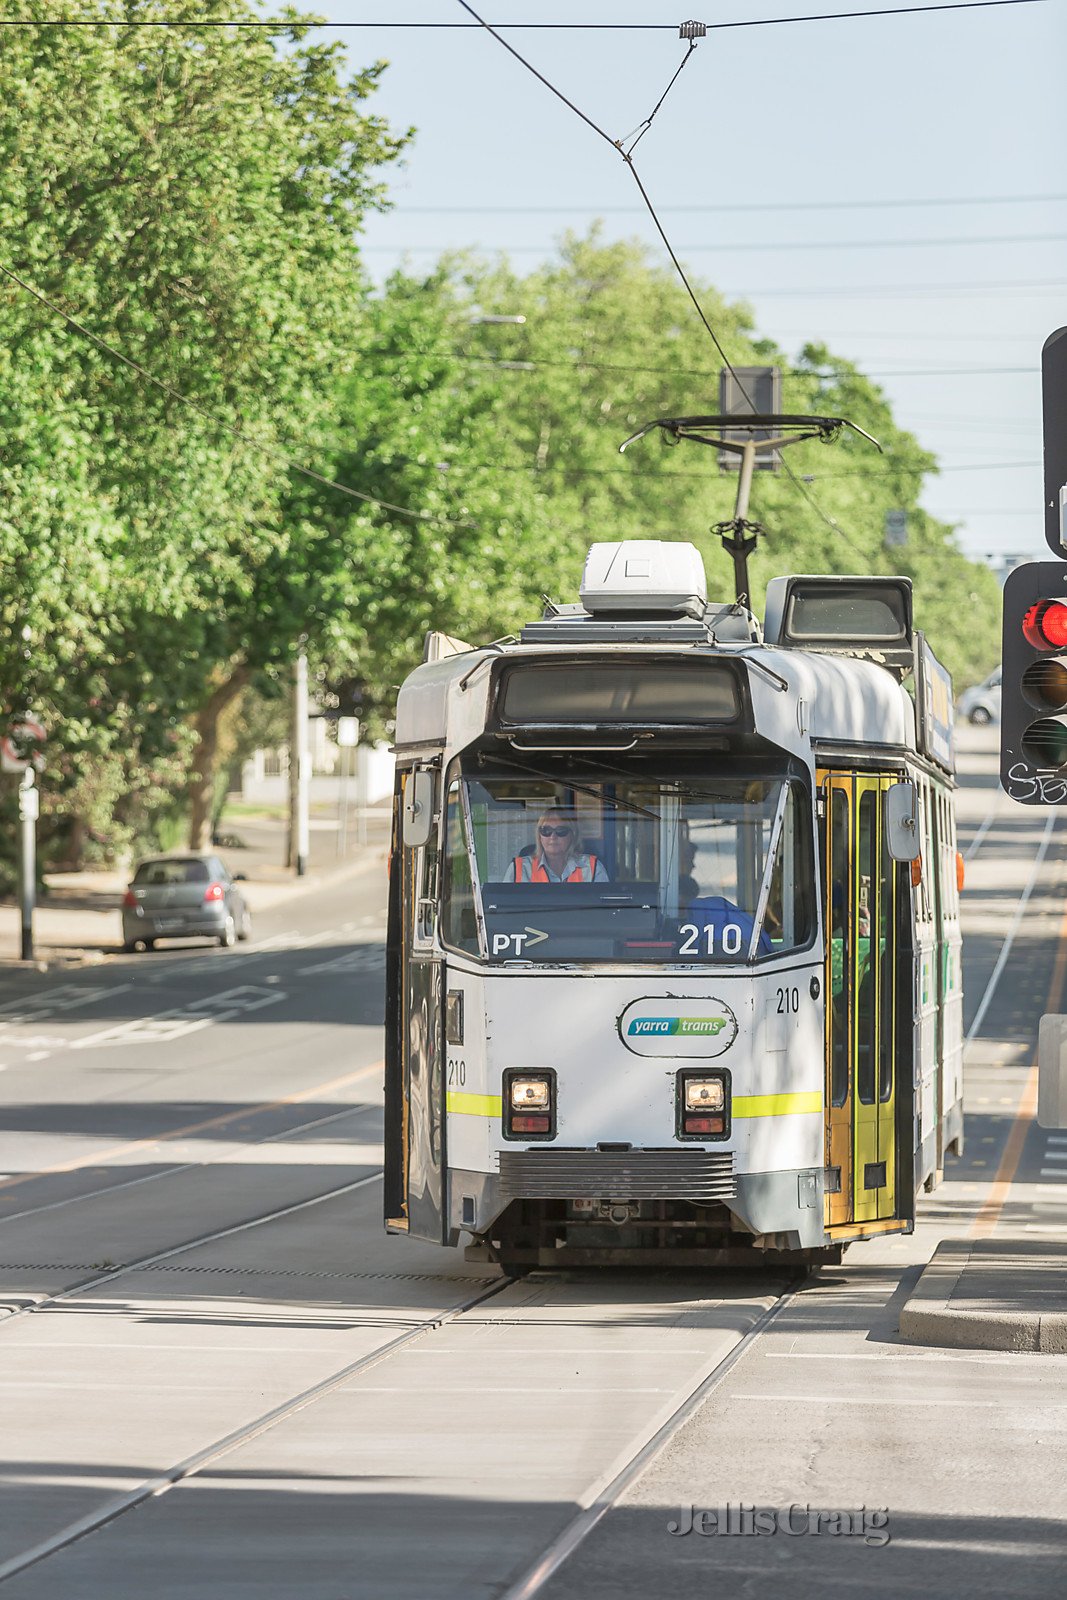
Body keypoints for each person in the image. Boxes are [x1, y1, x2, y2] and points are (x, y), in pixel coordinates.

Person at [504, 808, 609, 883]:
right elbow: (504, 909)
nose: (553, 836)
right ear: (539, 835)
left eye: (561, 831)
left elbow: (605, 910)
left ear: (572, 835)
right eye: (546, 830)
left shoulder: (592, 868)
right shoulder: (518, 869)